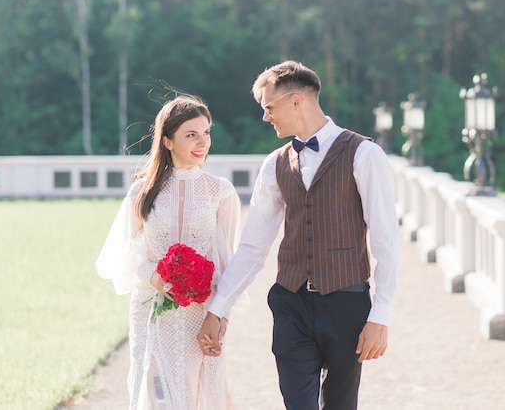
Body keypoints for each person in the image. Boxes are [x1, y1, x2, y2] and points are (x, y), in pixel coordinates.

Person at [198, 60, 400, 409]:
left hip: (347, 303)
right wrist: (218, 308)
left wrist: (379, 316)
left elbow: (386, 242)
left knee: (339, 404)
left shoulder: (364, 154)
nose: (265, 117)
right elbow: (252, 247)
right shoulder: (274, 164)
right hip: (291, 304)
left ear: (296, 101)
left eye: (269, 107)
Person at [96, 95, 241, 409]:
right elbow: (121, 252)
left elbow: (228, 265)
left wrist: (220, 320)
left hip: (200, 316)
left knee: (197, 393)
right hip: (152, 311)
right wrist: (154, 277)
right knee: (157, 393)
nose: (202, 142)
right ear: (168, 141)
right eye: (191, 135)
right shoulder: (142, 192)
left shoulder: (221, 192)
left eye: (206, 133)